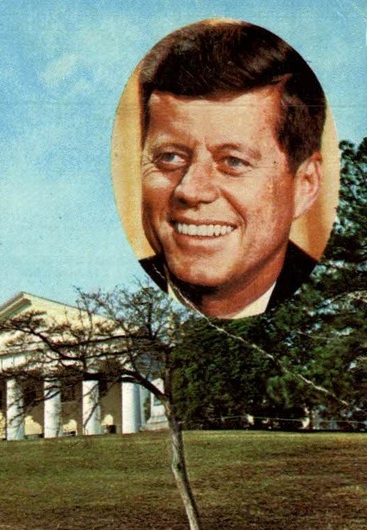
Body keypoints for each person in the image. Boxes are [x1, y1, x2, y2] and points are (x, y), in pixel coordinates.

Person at [137, 20, 326, 319]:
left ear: (305, 184)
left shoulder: (328, 301)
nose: (191, 189)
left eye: (233, 162)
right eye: (170, 157)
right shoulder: (131, 296)